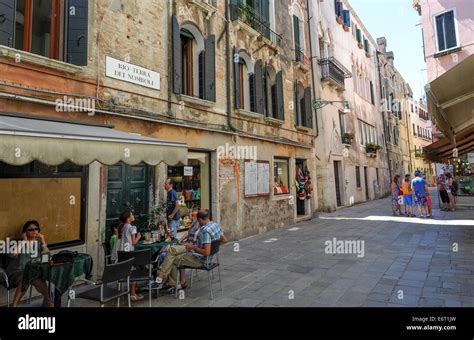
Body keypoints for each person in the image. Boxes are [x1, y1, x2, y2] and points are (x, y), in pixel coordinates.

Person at [150, 210, 227, 291]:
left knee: (172, 259)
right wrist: (213, 247)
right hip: (196, 250)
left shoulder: (205, 230)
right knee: (172, 250)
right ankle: (163, 279)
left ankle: (167, 281)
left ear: (200, 220)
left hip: (200, 259)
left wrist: (193, 247)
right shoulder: (215, 225)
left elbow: (206, 253)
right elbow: (225, 240)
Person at [7, 221, 54, 307]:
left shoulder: (39, 243)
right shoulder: (17, 243)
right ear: (25, 232)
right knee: (25, 278)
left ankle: (49, 302)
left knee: (38, 279)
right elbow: (13, 254)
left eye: (36, 229)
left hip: (32, 271)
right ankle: (14, 305)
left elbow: (46, 256)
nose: (34, 231)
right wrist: (24, 241)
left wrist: (43, 241)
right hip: (16, 272)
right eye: (31, 229)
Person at [115, 210, 143, 301]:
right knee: (133, 272)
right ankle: (133, 294)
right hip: (130, 252)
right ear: (128, 218)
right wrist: (138, 237)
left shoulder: (122, 227)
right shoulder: (132, 228)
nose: (133, 216)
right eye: (132, 215)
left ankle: (132, 290)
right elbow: (134, 243)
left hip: (122, 253)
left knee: (128, 271)